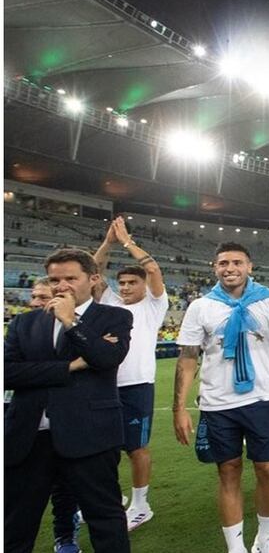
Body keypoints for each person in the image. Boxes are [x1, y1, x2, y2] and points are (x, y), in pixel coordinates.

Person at [4, 248, 133, 553]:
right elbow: (7, 373)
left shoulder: (113, 318)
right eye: (55, 279)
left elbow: (106, 358)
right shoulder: (25, 322)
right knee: (15, 527)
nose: (61, 286)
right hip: (29, 439)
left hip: (90, 437)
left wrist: (71, 322)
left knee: (105, 519)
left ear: (92, 280)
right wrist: (71, 366)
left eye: (70, 278)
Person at [173, 243, 269, 553]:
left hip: (261, 399)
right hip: (217, 404)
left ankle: (266, 538)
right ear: (214, 267)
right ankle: (235, 552)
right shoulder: (201, 306)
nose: (230, 267)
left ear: (249, 266)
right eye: (223, 262)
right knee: (228, 473)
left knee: (268, 469)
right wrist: (179, 407)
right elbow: (187, 357)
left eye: (237, 262)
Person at [92, 217, 169, 530]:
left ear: (142, 287)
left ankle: (141, 504)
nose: (124, 287)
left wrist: (126, 242)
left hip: (137, 386)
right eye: (121, 283)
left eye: (131, 283)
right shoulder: (110, 303)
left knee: (137, 448)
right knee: (106, 447)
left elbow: (152, 270)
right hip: (104, 384)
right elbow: (93, 273)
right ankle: (116, 497)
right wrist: (107, 243)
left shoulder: (153, 306)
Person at [8, 279, 84, 553]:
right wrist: (65, 368)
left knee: (64, 487)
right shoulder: (22, 326)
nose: (39, 301)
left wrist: (33, 372)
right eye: (35, 296)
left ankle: (64, 534)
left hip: (65, 423)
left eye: (45, 296)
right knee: (19, 498)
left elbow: (93, 360)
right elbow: (8, 372)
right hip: (23, 422)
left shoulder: (69, 330)